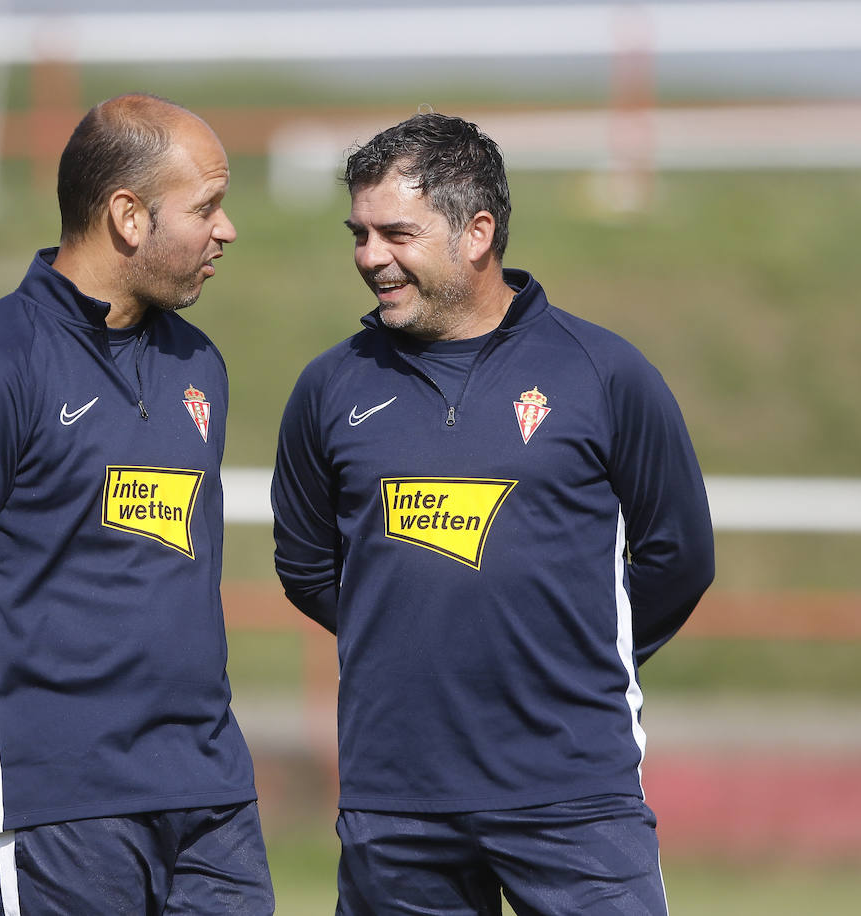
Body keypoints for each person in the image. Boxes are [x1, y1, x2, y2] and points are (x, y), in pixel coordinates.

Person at [271, 112, 715, 915]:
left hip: (573, 791)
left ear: (477, 231)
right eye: (359, 234)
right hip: (394, 798)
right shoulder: (329, 387)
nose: (370, 257)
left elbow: (678, 555)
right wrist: (409, 641)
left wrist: (570, 651)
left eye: (395, 233)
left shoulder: (604, 373)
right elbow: (306, 566)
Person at [0, 93, 273, 914]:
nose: (226, 229)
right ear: (129, 216)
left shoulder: (200, 364)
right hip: (57, 806)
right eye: (206, 207)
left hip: (211, 797)